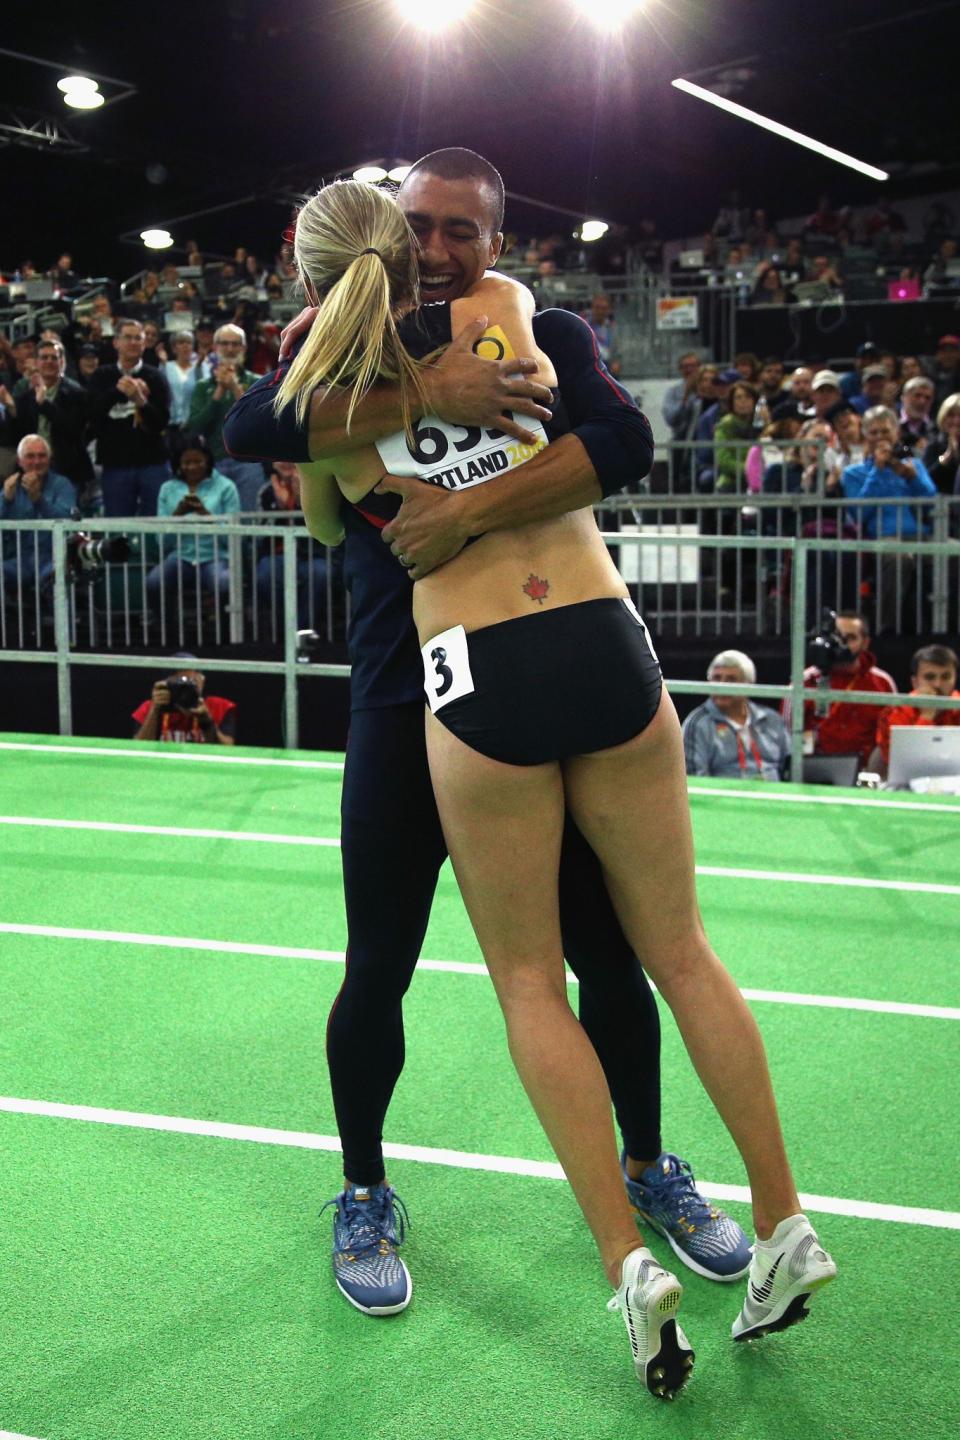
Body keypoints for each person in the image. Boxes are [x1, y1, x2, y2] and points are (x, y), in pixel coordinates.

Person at [230, 168, 834, 1393]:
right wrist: (417, 388)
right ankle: (364, 1187)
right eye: (422, 229)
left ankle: (650, 1174)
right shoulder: (336, 362)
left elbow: (619, 443)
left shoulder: (531, 330)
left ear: (498, 238)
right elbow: (264, 439)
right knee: (384, 967)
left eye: (464, 229)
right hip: (413, 696)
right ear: (391, 241)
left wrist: (439, 481)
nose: (443, 248)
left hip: (490, 677)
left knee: (602, 964)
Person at [783, 610, 895, 766]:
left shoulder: (882, 682)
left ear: (865, 643)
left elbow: (891, 736)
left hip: (866, 771)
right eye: (836, 637)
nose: (841, 644)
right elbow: (786, 734)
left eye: (850, 638)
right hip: (816, 770)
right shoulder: (805, 681)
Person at [88, 318, 172, 517]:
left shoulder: (155, 377)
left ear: (144, 343)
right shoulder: (101, 376)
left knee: (156, 524)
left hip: (153, 462)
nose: (133, 343)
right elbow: (93, 415)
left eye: (138, 338)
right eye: (128, 338)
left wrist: (140, 400)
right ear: (116, 342)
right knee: (118, 526)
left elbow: (162, 421)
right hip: (115, 463)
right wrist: (119, 392)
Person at [145, 444, 240, 616]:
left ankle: (227, 636)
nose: (192, 467)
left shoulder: (226, 487)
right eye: (186, 462)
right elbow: (161, 541)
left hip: (216, 556)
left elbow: (234, 537)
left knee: (224, 583)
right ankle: (167, 633)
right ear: (178, 464)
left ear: (208, 461)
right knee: (153, 582)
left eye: (198, 461)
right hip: (181, 556)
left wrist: (207, 516)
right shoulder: (167, 489)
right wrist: (177, 516)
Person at [188, 323, 264, 508]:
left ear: (244, 348)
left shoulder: (257, 381)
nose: (230, 349)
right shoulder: (202, 386)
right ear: (215, 348)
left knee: (251, 525)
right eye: (224, 343)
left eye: (235, 344)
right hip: (214, 463)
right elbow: (194, 428)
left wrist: (235, 388)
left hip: (250, 463)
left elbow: (261, 423)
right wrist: (219, 391)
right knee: (217, 527)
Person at [682, 651, 790, 780]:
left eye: (731, 679)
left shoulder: (772, 719)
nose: (722, 685)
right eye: (717, 678)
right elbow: (695, 780)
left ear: (749, 684)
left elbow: (790, 768)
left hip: (775, 797)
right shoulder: (697, 724)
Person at [11, 338, 94, 499]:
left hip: (67, 469)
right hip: (32, 467)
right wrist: (11, 411)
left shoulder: (77, 394)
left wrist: (44, 404)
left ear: (62, 362)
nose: (49, 362)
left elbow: (74, 430)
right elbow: (20, 435)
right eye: (44, 357)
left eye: (54, 357)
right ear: (36, 362)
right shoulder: (25, 397)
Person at [1, 434, 76, 592]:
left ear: (49, 459)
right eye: (30, 456)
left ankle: (66, 617)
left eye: (42, 456)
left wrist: (39, 501)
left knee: (60, 576)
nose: (36, 461)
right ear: (20, 462)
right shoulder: (11, 487)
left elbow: (68, 520)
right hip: (19, 561)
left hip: (53, 559)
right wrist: (5, 500)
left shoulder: (62, 485)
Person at [876, 644, 960, 772]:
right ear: (915, 682)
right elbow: (902, 765)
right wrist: (926, 717)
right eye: (930, 677)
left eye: (946, 677)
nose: (938, 684)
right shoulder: (895, 712)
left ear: (955, 679)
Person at [132, 657, 237, 743]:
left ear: (202, 681)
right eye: (179, 684)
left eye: (191, 683)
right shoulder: (149, 707)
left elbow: (226, 753)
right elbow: (139, 751)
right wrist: (155, 711)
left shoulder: (220, 707)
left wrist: (206, 720)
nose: (185, 689)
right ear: (166, 684)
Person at [922, 393, 960, 496]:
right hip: (942, 508)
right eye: (951, 415)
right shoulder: (934, 446)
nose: (956, 420)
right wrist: (947, 457)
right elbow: (925, 481)